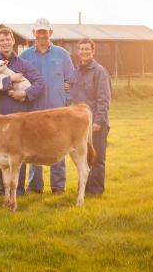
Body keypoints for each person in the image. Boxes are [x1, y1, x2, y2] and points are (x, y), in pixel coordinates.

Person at [0, 27, 45, 196]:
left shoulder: (23, 64)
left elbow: (39, 83)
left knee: (19, 154)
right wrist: (11, 79)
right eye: (1, 40)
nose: (5, 43)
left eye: (8, 39)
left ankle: (19, 190)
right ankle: (3, 190)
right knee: (2, 155)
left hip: (19, 118)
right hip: (0, 117)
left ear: (13, 41)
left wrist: (25, 93)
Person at [20, 18, 75, 194]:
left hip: (58, 112)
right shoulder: (25, 56)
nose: (42, 35)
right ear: (33, 33)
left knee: (58, 147)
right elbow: (18, 81)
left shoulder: (62, 54)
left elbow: (71, 81)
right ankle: (35, 186)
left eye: (45, 32)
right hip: (34, 111)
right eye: (39, 32)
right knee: (33, 148)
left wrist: (66, 100)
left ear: (50, 33)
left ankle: (58, 186)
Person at [70, 38, 111, 195]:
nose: (84, 52)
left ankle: (95, 191)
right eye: (81, 49)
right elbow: (72, 92)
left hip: (95, 122)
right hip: (80, 124)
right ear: (78, 51)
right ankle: (84, 189)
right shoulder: (75, 71)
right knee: (83, 157)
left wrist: (98, 121)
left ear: (93, 51)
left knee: (97, 157)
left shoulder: (99, 71)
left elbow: (104, 98)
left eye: (87, 49)